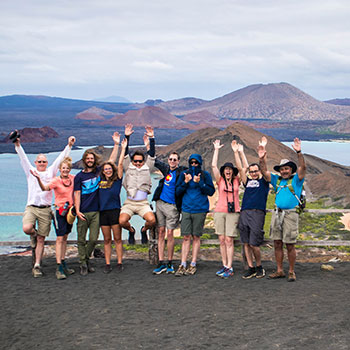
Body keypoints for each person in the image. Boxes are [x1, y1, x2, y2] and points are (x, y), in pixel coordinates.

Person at [14, 135, 75, 277]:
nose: (42, 163)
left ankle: (37, 265)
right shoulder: (31, 172)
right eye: (39, 161)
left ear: (47, 163)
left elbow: (61, 159)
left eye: (44, 161)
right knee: (27, 228)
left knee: (41, 239)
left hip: (46, 209)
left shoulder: (51, 172)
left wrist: (69, 146)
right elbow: (23, 158)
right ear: (35, 162)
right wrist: (18, 146)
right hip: (32, 206)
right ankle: (33, 235)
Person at [259, 137, 306, 282]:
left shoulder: (296, 180)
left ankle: (291, 271)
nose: (284, 171)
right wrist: (262, 158)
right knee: (277, 243)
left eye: (286, 169)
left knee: (290, 244)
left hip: (291, 214)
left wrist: (299, 152)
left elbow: (303, 168)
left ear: (291, 169)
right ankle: (280, 270)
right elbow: (264, 171)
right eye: (282, 169)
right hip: (277, 213)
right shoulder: (277, 180)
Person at [74, 132, 120, 276]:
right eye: (87, 158)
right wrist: (77, 210)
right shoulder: (79, 176)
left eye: (92, 158)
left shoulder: (98, 172)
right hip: (83, 211)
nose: (89, 160)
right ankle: (83, 263)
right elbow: (77, 193)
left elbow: (111, 162)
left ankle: (85, 259)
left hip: (96, 211)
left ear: (95, 160)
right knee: (81, 240)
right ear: (84, 160)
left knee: (93, 239)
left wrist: (117, 144)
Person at [31, 156, 76, 280]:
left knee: (65, 237)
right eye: (63, 168)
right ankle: (59, 267)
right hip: (60, 212)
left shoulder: (73, 179)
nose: (65, 170)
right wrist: (39, 179)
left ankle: (63, 262)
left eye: (67, 168)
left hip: (70, 213)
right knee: (60, 238)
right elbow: (44, 188)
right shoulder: (56, 181)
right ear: (60, 169)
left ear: (70, 169)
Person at [233, 137, 270, 279]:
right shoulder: (247, 181)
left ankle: (259, 266)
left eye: (256, 171)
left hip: (257, 213)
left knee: (255, 244)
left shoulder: (264, 182)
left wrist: (263, 154)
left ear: (259, 172)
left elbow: (265, 168)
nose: (254, 173)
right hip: (245, 213)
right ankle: (250, 267)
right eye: (252, 171)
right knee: (246, 243)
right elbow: (241, 168)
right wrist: (237, 152)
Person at [175, 153, 215, 276]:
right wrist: (185, 182)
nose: (193, 165)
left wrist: (200, 183)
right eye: (191, 162)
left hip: (200, 209)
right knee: (186, 237)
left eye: (196, 163)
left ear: (199, 163)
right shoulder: (184, 175)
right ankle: (183, 263)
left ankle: (193, 263)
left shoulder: (205, 175)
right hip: (186, 209)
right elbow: (177, 191)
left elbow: (211, 191)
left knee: (196, 237)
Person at [119, 125, 156, 245]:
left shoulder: (147, 168)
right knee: (122, 221)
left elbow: (152, 156)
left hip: (143, 203)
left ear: (143, 161)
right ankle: (131, 231)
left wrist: (152, 138)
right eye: (135, 161)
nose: (138, 163)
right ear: (132, 161)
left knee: (152, 220)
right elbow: (125, 153)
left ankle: (143, 230)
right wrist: (127, 137)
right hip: (129, 203)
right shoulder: (128, 167)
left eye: (140, 161)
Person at [151, 150, 187, 275]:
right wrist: (150, 141)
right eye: (170, 159)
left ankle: (170, 262)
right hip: (160, 204)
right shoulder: (166, 169)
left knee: (170, 233)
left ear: (178, 161)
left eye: (175, 159)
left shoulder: (181, 171)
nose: (172, 161)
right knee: (161, 232)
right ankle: (161, 262)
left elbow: (194, 170)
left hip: (172, 207)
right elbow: (154, 160)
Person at [211, 140, 241, 279]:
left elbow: (242, 169)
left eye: (230, 170)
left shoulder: (236, 181)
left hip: (233, 212)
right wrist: (216, 149)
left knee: (229, 240)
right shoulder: (220, 180)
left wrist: (236, 152)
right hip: (219, 212)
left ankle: (230, 266)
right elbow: (213, 166)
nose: (227, 171)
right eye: (226, 170)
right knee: (222, 239)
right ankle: (224, 265)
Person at [99, 138, 127, 274]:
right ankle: (108, 263)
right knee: (106, 239)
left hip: (115, 211)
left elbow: (120, 164)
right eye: (106, 169)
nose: (108, 170)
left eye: (110, 169)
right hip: (103, 212)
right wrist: (115, 145)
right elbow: (110, 160)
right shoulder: (101, 180)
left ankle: (120, 262)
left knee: (117, 239)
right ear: (103, 171)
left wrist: (122, 148)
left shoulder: (117, 180)